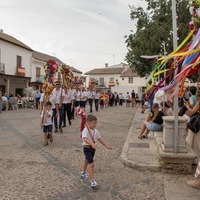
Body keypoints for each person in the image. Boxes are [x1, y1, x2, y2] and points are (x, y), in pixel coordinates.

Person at [80, 114, 112, 187]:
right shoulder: (85, 130)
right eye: (94, 123)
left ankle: (83, 172)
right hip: (87, 148)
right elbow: (84, 138)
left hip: (92, 149)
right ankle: (92, 181)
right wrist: (92, 143)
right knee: (91, 164)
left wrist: (106, 145)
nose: (95, 124)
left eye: (96, 123)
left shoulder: (96, 131)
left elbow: (100, 139)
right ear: (88, 123)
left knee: (87, 160)